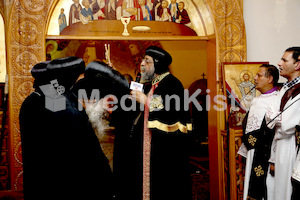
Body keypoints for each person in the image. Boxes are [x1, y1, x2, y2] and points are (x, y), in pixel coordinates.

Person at [20, 57, 114, 200]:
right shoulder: (63, 106)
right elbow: (87, 155)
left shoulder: (37, 98)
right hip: (66, 186)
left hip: (41, 184)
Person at [129, 46, 192, 200]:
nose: (143, 64)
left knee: (165, 186)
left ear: (158, 64)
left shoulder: (172, 84)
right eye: (144, 60)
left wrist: (145, 100)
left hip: (167, 148)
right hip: (153, 144)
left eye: (148, 61)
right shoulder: (155, 84)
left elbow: (168, 111)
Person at [237, 64, 279, 200]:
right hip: (252, 151)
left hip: (265, 152)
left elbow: (274, 131)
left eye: (259, 75)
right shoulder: (256, 99)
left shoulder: (276, 100)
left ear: (270, 79)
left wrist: (273, 159)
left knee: (266, 189)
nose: (255, 78)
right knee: (250, 183)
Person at [266, 47, 300, 200]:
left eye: (285, 60)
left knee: (287, 190)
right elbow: (269, 116)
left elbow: (286, 125)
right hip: (279, 145)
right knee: (277, 189)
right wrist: (277, 119)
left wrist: (277, 119)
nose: (279, 63)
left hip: (292, 147)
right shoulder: (285, 88)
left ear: (297, 65)